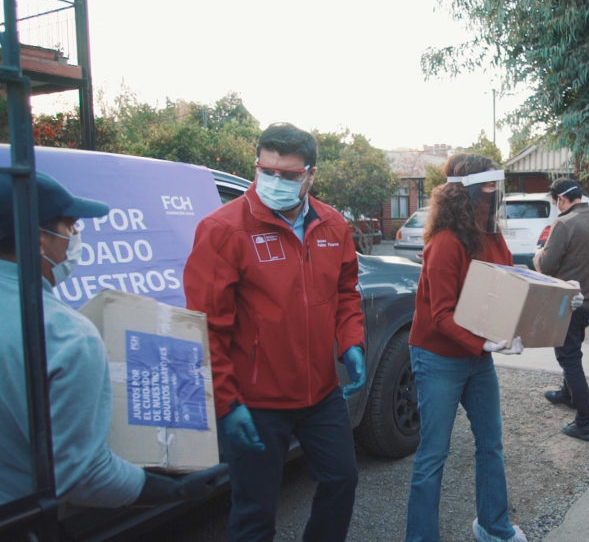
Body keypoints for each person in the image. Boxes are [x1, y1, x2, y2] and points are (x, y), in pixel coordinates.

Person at [184, 123, 367, 542]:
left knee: (342, 480)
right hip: (257, 401)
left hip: (321, 394)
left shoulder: (333, 225)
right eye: (266, 171)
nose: (275, 181)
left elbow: (346, 293)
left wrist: (351, 341)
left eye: (288, 175)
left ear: (310, 175)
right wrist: (227, 402)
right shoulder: (224, 229)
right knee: (255, 511)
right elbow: (207, 327)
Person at [0, 172, 222, 508]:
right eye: (70, 226)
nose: (76, 235)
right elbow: (82, 475)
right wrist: (169, 491)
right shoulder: (65, 335)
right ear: (39, 240)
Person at [406, 153, 528, 542]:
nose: (495, 195)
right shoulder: (445, 242)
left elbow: (506, 281)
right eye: (488, 186)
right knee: (433, 455)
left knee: (491, 444)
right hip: (439, 358)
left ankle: (493, 526)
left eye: (497, 187)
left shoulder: (491, 234)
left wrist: (551, 296)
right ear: (466, 192)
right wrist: (483, 342)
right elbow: (441, 314)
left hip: (477, 357)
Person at [532, 177, 589, 441]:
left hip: (568, 303)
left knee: (569, 358)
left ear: (562, 199)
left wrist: (537, 255)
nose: (557, 206)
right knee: (573, 350)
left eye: (556, 202)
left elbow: (546, 266)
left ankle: (585, 421)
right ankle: (568, 394)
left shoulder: (564, 223)